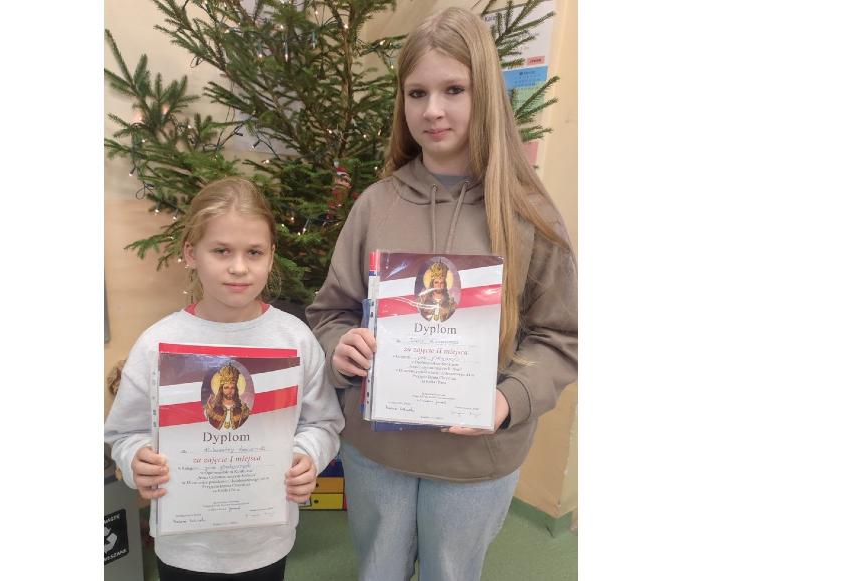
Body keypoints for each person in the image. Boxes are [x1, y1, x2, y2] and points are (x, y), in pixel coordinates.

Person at [305, 7, 577, 581]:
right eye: (417, 93)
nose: (432, 110)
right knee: (378, 569)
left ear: (486, 94)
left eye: (454, 89)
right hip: (377, 450)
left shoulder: (529, 214)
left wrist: (508, 401)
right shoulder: (375, 205)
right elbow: (331, 311)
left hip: (476, 455)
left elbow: (561, 337)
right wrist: (339, 347)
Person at [105, 177, 344, 581]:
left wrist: (307, 456)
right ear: (191, 253)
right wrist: (135, 459)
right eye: (221, 251)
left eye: (254, 252)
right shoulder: (157, 343)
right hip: (186, 546)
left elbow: (322, 423)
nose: (238, 267)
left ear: (271, 256)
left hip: (265, 540)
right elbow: (124, 433)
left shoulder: (295, 339)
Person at [204, 362, 252, 430]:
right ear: (221, 389)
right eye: (226, 387)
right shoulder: (211, 409)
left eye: (232, 388)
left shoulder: (243, 410)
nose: (230, 391)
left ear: (236, 389)